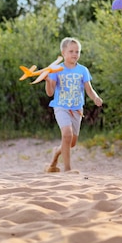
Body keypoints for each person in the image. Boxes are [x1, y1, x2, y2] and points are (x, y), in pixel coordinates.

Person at [44, 37, 103, 173]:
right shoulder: (57, 70)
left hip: (77, 110)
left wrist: (95, 97)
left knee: (71, 142)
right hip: (61, 107)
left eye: (77, 51)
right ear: (63, 53)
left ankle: (56, 155)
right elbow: (50, 92)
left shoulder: (83, 70)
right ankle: (67, 169)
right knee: (67, 134)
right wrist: (47, 80)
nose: (75, 54)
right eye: (71, 51)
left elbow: (88, 89)